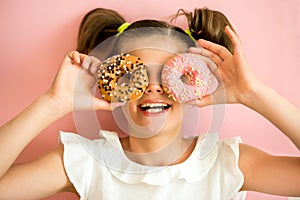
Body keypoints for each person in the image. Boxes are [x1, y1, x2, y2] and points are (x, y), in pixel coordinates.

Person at [0, 7, 299, 200]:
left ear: (196, 83)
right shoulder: (86, 162)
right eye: (136, 74)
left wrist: (254, 94)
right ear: (113, 85)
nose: (153, 87)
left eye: (171, 73)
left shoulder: (227, 163)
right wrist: (52, 103)